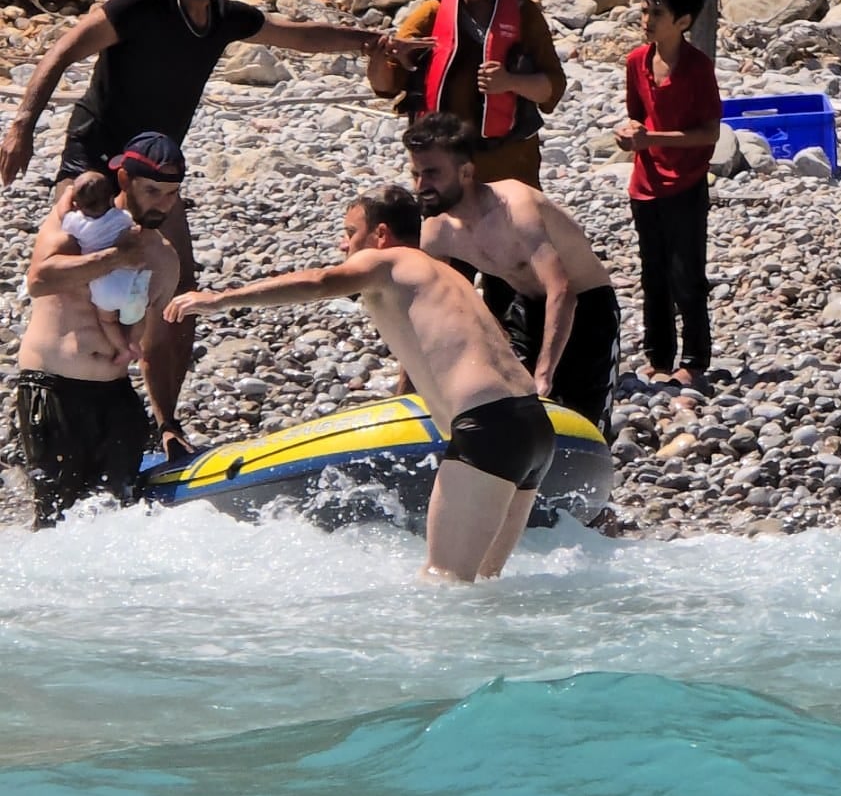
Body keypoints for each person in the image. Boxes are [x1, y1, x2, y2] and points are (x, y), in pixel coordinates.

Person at [0, 0, 393, 456]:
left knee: (179, 292)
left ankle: (166, 422)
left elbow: (297, 36)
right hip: (95, 164)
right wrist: (23, 123)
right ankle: (53, 400)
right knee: (72, 281)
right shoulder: (140, 3)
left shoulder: (226, 18)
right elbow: (63, 50)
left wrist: (370, 40)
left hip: (158, 176)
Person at [163, 185, 556, 584]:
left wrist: (221, 299)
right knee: (486, 585)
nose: (343, 243)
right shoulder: (445, 275)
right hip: (533, 426)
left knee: (445, 582)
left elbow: (319, 281)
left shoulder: (388, 262)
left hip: (487, 429)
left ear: (380, 234)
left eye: (350, 232)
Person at [404, 113, 621, 435]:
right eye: (416, 174)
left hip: (587, 308)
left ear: (465, 172)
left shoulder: (514, 209)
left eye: (432, 174)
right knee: (511, 412)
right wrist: (408, 388)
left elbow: (562, 291)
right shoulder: (438, 231)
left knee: (583, 423)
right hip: (526, 308)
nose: (421, 186)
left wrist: (544, 374)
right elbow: (424, 311)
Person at [16, 132, 185, 528]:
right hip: (54, 388)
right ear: (123, 181)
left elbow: (155, 345)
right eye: (154, 191)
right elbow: (40, 279)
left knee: (118, 519)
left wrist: (167, 425)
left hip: (115, 396)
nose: (164, 203)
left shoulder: (163, 257)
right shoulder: (74, 224)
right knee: (55, 523)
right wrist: (114, 258)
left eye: (172, 193)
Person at [367, 0, 566, 190]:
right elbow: (386, 86)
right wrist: (380, 57)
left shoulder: (524, 16)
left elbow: (553, 87)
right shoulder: (433, 12)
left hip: (506, 160)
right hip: (442, 163)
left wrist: (509, 82)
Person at [614, 0, 722, 391]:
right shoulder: (637, 62)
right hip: (646, 182)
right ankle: (658, 355)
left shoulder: (697, 69)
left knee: (686, 273)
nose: (647, 19)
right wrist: (630, 134)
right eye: (645, 10)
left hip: (686, 183)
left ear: (683, 21)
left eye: (657, 13)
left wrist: (650, 138)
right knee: (652, 272)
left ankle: (695, 358)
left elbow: (710, 133)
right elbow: (637, 115)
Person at [61, 169, 147, 365]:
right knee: (140, 314)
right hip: (130, 280)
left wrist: (67, 194)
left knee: (107, 320)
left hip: (104, 287)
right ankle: (134, 342)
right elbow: (134, 227)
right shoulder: (121, 217)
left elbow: (62, 214)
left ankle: (122, 349)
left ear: (77, 204)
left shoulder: (76, 223)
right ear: (111, 199)